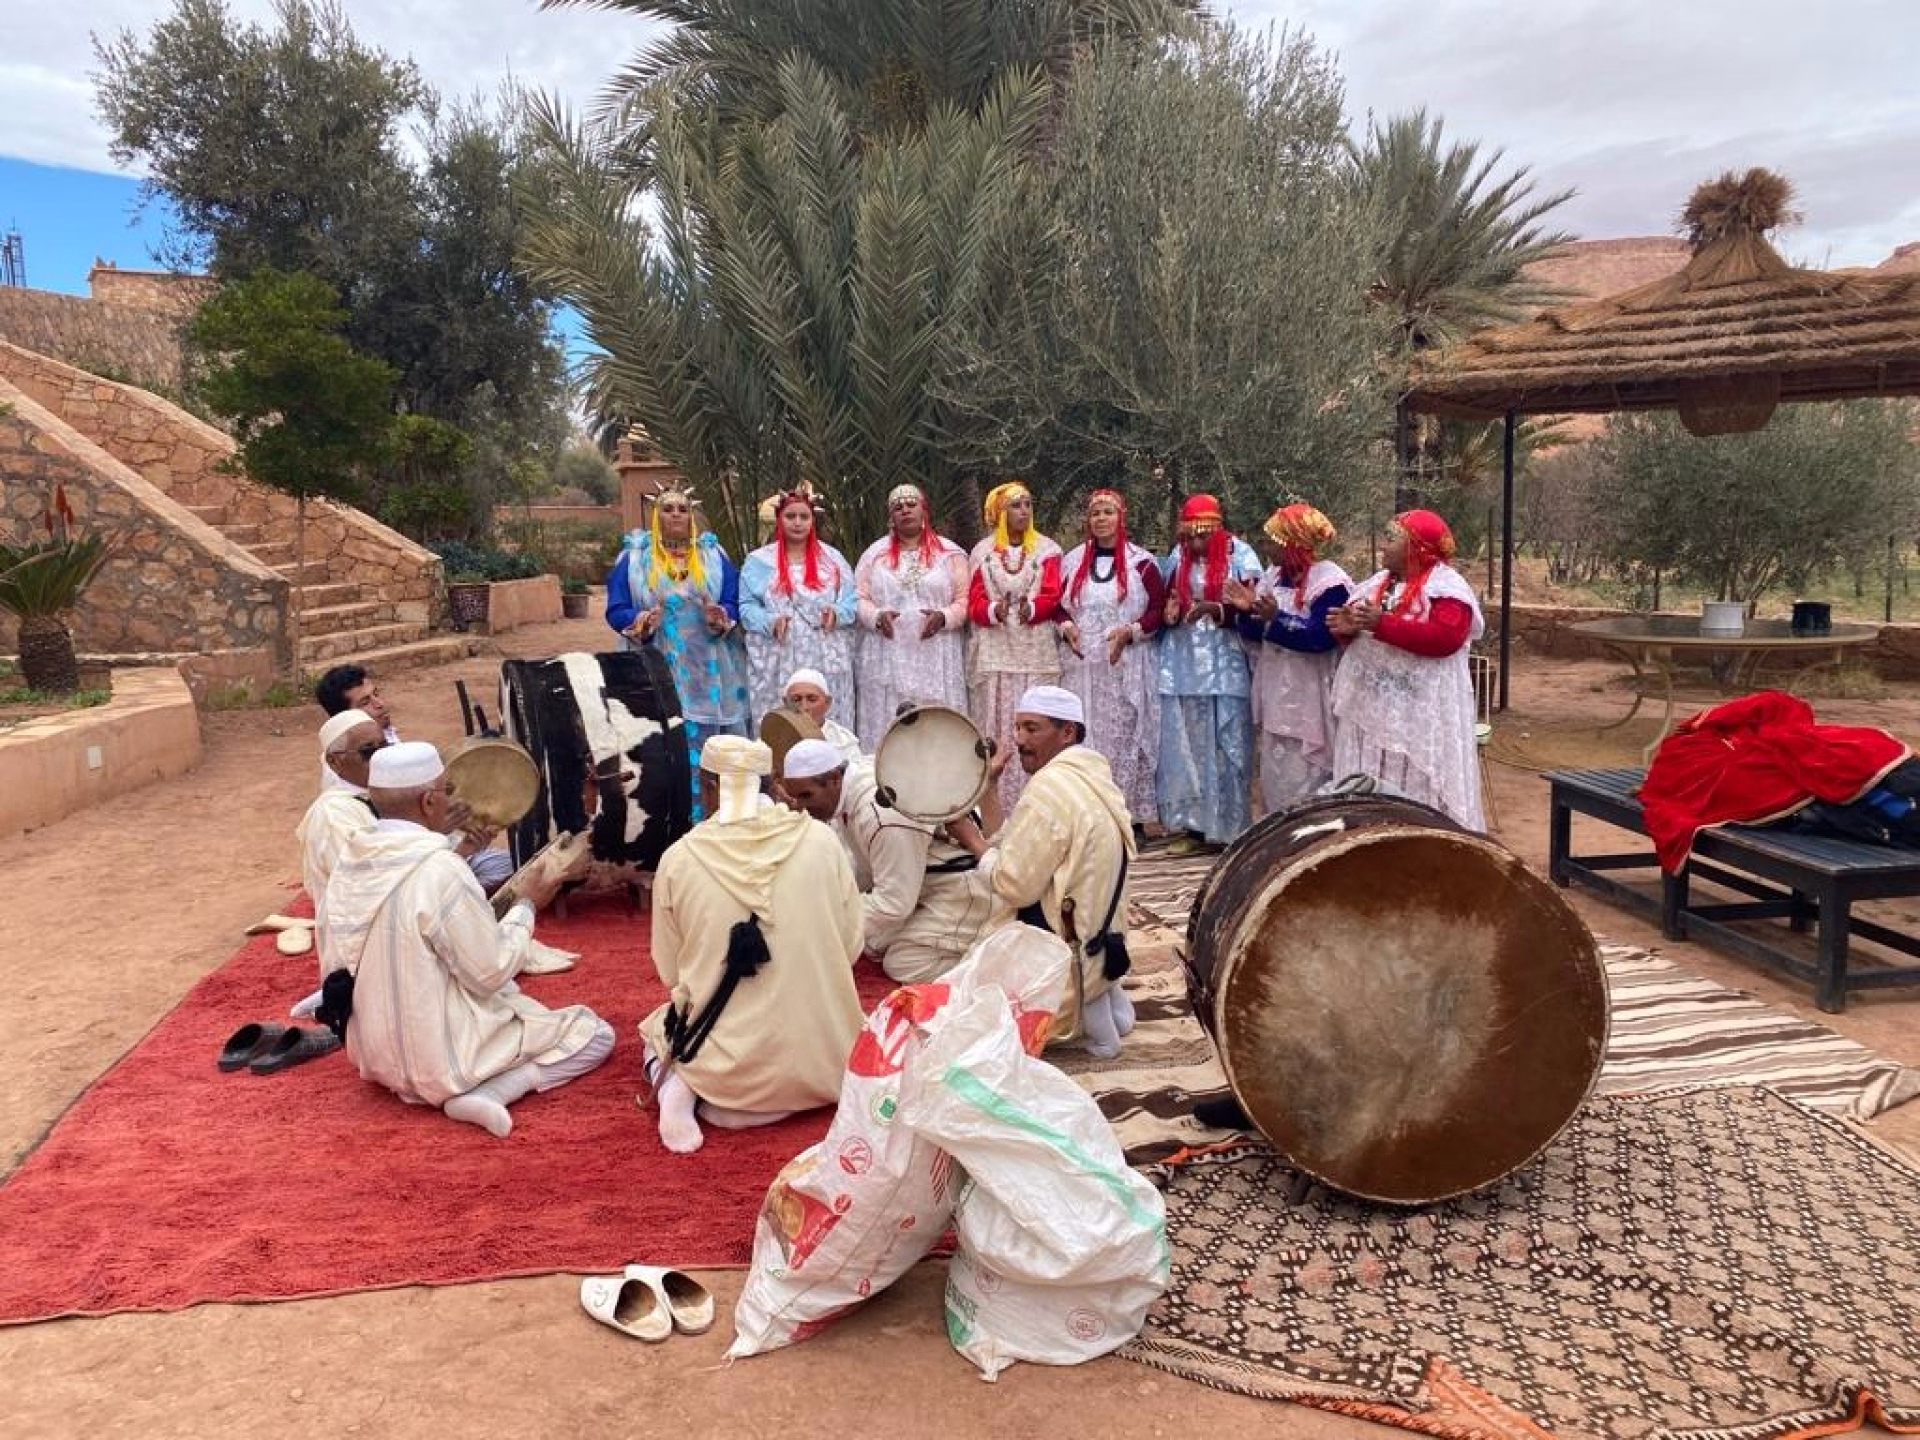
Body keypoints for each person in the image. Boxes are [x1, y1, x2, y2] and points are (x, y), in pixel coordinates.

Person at [317, 742, 613, 1138]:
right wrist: (528, 905)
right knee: (592, 1033)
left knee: (505, 994)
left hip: (375, 1059)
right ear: (427, 801)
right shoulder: (441, 871)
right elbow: (488, 972)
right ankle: (494, 1091)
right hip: (443, 1063)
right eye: (447, 791)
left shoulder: (350, 862)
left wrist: (461, 851)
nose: (454, 799)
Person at [640, 735, 865, 1155]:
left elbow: (672, 974)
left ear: (709, 788)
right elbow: (851, 947)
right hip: (827, 1069)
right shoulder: (821, 841)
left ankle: (680, 1086)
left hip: (728, 1088)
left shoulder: (679, 859)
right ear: (768, 786)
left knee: (657, 1026)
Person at [946, 686, 1136, 1059]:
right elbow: (1016, 844)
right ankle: (1106, 1004)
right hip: (1100, 943)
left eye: (1032, 729)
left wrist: (971, 840)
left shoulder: (1049, 788)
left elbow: (1014, 885)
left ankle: (1085, 1022)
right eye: (1017, 729)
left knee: (964, 992)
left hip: (1070, 953)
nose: (1019, 740)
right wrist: (990, 786)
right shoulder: (1093, 777)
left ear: (1067, 732)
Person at [780, 737, 997, 983]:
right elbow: (864, 869)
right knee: (871, 941)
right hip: (925, 883)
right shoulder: (851, 791)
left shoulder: (880, 813)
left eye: (807, 795)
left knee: (901, 962)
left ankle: (992, 962)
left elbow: (895, 903)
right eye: (795, 797)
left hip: (964, 890)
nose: (800, 806)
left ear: (834, 779)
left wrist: (828, 924)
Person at [1328, 508, 1486, 830]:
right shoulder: (1377, 584)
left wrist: (1381, 623)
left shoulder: (1447, 587)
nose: (1383, 546)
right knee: (1373, 777)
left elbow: (1446, 639)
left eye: (1391, 539)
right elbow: (1362, 639)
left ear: (1417, 547)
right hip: (1373, 713)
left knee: (1416, 783)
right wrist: (1347, 630)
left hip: (1422, 717)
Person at [605, 487, 752, 820]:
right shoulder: (634, 558)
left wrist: (722, 616)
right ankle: (669, 822)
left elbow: (733, 600)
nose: (675, 514)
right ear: (656, 515)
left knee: (713, 747)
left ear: (691, 515)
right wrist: (638, 620)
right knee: (664, 742)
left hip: (712, 671)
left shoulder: (713, 556)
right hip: (657, 668)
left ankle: (717, 819)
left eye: (682, 509)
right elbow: (616, 609)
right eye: (667, 508)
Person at [312, 665, 512, 889]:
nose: (380, 704)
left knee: (521, 867)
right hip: (414, 874)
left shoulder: (381, 739)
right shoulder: (338, 811)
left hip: (441, 854)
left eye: (376, 694)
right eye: (365, 702)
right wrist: (436, 833)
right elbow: (383, 879)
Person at [1229, 503, 1353, 814]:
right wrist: (1247, 614)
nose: (1266, 546)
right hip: (1277, 694)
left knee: (1310, 774)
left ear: (1292, 544)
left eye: (1273, 540)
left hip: (1310, 694)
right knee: (1277, 773)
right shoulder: (1273, 577)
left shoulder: (1330, 582)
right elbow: (1258, 633)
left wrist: (1276, 618)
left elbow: (1320, 638)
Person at [1155, 493, 1262, 852]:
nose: (1194, 544)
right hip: (1183, 660)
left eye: (1201, 537)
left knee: (1226, 739)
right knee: (1187, 742)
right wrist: (1169, 615)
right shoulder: (1177, 557)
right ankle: (1191, 827)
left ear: (1216, 530)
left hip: (1224, 659)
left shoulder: (1242, 556)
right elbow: (1167, 605)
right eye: (1188, 537)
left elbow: (1254, 611)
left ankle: (1230, 825)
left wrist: (1216, 610)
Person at [1057, 489, 1165, 828]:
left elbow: (1158, 611)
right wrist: (1066, 627)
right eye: (1095, 514)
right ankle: (1088, 818)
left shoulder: (1142, 562)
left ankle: (1128, 818)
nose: (1101, 519)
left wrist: (1130, 632)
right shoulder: (1073, 561)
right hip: (1082, 667)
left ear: (1121, 518)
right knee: (1086, 737)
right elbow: (1059, 607)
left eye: (1108, 512)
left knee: (1125, 738)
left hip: (1125, 666)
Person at [967, 481, 1064, 815]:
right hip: (996, 651)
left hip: (1034, 649)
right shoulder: (982, 553)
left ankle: (1039, 806)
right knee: (996, 725)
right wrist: (995, 610)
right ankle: (996, 810)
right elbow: (975, 601)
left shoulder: (1047, 550)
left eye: (1027, 504)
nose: (1023, 511)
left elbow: (1053, 595)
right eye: (1015, 505)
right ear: (999, 513)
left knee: (1038, 724)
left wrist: (1032, 609)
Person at [852, 484, 970, 752]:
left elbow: (965, 600)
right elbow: (857, 598)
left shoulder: (950, 554)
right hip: (887, 656)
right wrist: (876, 616)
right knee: (890, 726)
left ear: (924, 510)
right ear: (891, 517)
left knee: (936, 728)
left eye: (911, 504)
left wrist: (944, 616)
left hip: (936, 656)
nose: (905, 510)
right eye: (898, 507)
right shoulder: (874, 555)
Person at [740, 491, 859, 729]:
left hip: (825, 652)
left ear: (812, 520)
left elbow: (852, 601)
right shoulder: (759, 561)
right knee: (783, 723)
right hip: (780, 653)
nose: (797, 522)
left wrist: (836, 613)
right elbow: (747, 606)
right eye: (790, 516)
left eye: (804, 517)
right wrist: (769, 621)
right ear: (779, 519)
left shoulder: (832, 558)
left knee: (827, 722)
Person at [298, 709, 382, 910]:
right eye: (368, 752)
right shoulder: (333, 815)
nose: (380, 758)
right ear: (334, 761)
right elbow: (364, 888)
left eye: (385, 748)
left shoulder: (381, 794)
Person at [782, 667, 862, 764]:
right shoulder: (771, 740)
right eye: (796, 700)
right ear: (785, 703)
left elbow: (858, 776)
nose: (804, 707)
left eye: (812, 699)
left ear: (827, 703)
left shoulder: (844, 741)